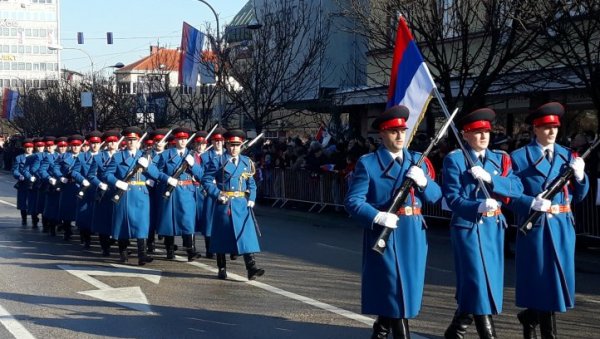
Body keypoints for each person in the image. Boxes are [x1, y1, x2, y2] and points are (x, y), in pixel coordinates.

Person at [344, 105, 442, 339]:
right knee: (396, 291)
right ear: (382, 135)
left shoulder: (417, 160)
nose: (400, 136)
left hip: (414, 234)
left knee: (404, 290)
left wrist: (425, 183)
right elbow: (353, 201)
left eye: (402, 131)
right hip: (386, 234)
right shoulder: (368, 163)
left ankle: (380, 330)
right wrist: (377, 215)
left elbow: (437, 196)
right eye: (393, 132)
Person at [509, 102, 589, 339]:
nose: (552, 131)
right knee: (545, 285)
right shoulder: (520, 157)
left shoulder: (567, 155)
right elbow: (510, 196)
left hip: (563, 225)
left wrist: (581, 176)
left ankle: (529, 316)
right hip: (537, 227)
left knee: (556, 284)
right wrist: (529, 203)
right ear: (535, 128)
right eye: (545, 126)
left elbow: (579, 195)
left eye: (554, 126)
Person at [442, 108, 524, 339]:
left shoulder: (500, 158)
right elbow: (452, 197)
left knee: (484, 283)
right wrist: (475, 206)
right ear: (465, 134)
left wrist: (492, 179)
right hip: (468, 227)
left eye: (487, 131)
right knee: (478, 282)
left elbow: (517, 189)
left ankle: (455, 331)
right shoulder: (455, 159)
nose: (484, 136)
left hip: (493, 228)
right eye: (477, 132)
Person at [202, 129, 264, 280]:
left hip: (241, 203)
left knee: (246, 235)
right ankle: (221, 267)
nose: (233, 148)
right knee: (222, 237)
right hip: (225, 203)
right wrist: (217, 194)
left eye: (237, 145)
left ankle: (251, 268)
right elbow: (206, 180)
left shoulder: (246, 162)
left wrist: (252, 198)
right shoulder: (218, 161)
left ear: (241, 145)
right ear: (226, 144)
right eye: (231, 145)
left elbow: (252, 183)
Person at [103, 127, 160, 265]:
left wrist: (148, 167)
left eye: (134, 140)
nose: (131, 142)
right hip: (125, 193)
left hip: (141, 192)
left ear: (139, 141)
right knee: (123, 223)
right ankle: (123, 252)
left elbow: (156, 174)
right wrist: (117, 182)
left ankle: (142, 254)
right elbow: (107, 175)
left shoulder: (145, 157)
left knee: (142, 224)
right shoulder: (117, 157)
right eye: (129, 140)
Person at [154, 127, 203, 261]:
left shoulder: (193, 155)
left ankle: (190, 250)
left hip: (187, 191)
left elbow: (201, 175)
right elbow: (156, 172)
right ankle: (170, 249)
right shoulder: (165, 155)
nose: (182, 141)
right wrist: (168, 179)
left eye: (185, 139)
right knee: (169, 221)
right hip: (171, 190)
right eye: (180, 139)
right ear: (175, 140)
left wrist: (193, 165)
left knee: (188, 221)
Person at [89, 130, 121, 256]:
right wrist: (100, 184)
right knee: (104, 221)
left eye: (114, 141)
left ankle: (120, 245)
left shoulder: (123, 156)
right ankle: (105, 246)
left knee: (118, 218)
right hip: (105, 192)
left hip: (119, 191)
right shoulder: (98, 157)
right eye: (110, 141)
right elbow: (91, 175)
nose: (112, 144)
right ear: (106, 143)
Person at [200, 128, 227, 259]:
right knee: (209, 220)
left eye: (221, 141)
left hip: (226, 192)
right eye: (216, 141)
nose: (218, 143)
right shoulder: (205, 156)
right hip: (211, 191)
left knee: (226, 220)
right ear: (212, 141)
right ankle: (209, 248)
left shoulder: (228, 155)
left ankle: (230, 249)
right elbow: (202, 174)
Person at [12, 138, 34, 226]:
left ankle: (34, 219)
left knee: (33, 201)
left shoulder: (35, 157)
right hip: (23, 183)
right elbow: (15, 170)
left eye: (30, 147)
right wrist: (19, 175)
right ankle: (24, 219)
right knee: (23, 202)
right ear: (24, 148)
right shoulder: (19, 158)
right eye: (27, 147)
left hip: (33, 183)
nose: (28, 149)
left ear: (33, 148)